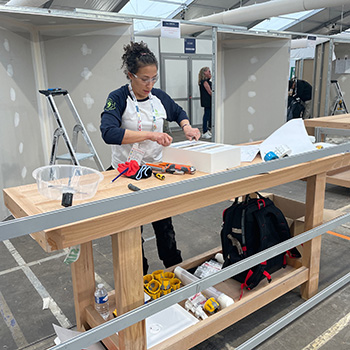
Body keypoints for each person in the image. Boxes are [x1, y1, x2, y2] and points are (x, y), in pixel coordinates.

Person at [100, 41, 201, 275]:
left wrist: (186, 127)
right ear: (130, 75)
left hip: (155, 171)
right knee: (133, 230)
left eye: (154, 78)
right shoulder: (117, 98)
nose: (149, 84)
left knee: (164, 225)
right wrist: (150, 135)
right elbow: (108, 132)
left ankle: (175, 267)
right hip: (126, 173)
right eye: (144, 79)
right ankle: (138, 276)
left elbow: (178, 112)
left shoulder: (158, 97)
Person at [198, 67, 212, 139]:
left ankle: (208, 130)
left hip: (208, 101)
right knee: (206, 116)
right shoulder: (204, 82)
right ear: (204, 73)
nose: (210, 73)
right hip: (207, 101)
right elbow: (210, 92)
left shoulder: (206, 81)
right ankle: (204, 131)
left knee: (209, 116)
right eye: (208, 71)